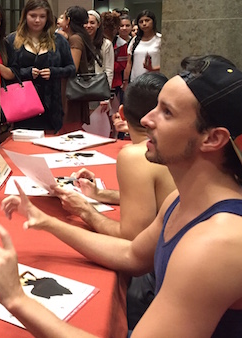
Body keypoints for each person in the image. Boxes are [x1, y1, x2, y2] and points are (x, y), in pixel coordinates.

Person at [0, 55, 242, 337]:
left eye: (167, 112)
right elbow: (131, 254)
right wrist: (45, 221)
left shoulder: (217, 243)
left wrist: (17, 300)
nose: (145, 119)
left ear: (213, 139)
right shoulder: (180, 201)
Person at [57, 72, 176, 329]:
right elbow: (159, 198)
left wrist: (85, 211)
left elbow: (131, 239)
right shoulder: (175, 149)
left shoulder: (136, 154)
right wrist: (101, 195)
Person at [5, 0, 75, 132]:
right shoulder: (12, 40)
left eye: (42, 16)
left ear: (47, 18)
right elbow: (8, 72)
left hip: (52, 105)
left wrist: (54, 72)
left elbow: (71, 69)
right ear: (25, 16)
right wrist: (27, 72)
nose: (37, 20)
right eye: (33, 15)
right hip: (22, 105)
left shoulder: (59, 40)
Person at [61, 5, 92, 130]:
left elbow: (73, 66)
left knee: (70, 129)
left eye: (63, 17)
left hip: (71, 90)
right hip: (73, 90)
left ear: (68, 20)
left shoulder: (75, 39)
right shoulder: (77, 37)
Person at [124, 9, 161, 86]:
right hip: (135, 81)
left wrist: (153, 69)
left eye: (147, 20)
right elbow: (129, 62)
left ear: (153, 22)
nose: (144, 24)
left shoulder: (160, 39)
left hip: (155, 81)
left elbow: (168, 64)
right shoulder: (135, 40)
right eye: (141, 22)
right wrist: (125, 81)